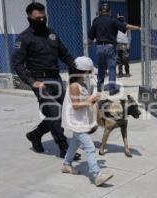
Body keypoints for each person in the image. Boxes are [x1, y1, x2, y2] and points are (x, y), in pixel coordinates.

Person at [11, 2, 80, 159]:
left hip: (55, 78)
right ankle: (64, 148)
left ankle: (35, 134)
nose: (41, 20)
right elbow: (17, 64)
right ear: (29, 18)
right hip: (39, 81)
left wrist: (75, 65)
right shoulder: (24, 38)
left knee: (60, 113)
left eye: (44, 17)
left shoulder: (52, 34)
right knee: (53, 112)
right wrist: (31, 81)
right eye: (37, 18)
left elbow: (64, 53)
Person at [61, 56, 113, 186]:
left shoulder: (82, 84)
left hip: (81, 119)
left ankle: (66, 165)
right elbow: (76, 105)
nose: (90, 74)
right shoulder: (74, 86)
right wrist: (90, 100)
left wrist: (92, 99)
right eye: (89, 72)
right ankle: (96, 175)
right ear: (82, 71)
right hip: (76, 121)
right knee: (89, 147)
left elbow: (83, 101)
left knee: (74, 144)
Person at [88, 3, 141, 96]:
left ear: (100, 11)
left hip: (99, 47)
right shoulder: (113, 20)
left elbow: (91, 36)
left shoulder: (95, 21)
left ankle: (99, 88)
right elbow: (126, 26)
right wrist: (138, 27)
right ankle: (112, 89)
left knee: (101, 68)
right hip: (110, 47)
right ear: (109, 11)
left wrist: (87, 44)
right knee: (112, 68)